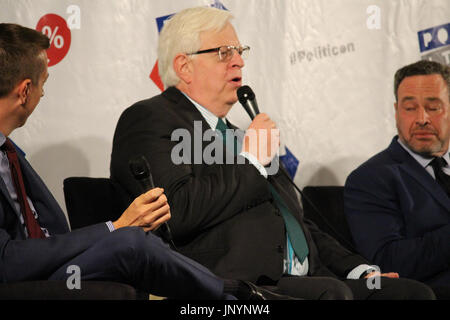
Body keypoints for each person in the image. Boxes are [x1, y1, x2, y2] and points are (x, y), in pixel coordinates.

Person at [110, 7, 435, 300]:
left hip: (306, 277)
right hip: (231, 284)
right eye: (224, 52)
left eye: (239, 51)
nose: (239, 61)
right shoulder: (151, 118)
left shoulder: (241, 138)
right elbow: (177, 213)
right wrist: (251, 162)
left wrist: (358, 269)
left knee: (410, 293)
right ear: (184, 66)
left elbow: (296, 221)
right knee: (331, 294)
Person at [0, 22, 293, 300]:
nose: (44, 92)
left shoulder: (10, 153)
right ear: (24, 91)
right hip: (26, 273)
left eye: (239, 53)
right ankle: (234, 296)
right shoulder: (152, 118)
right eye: (43, 83)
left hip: (62, 264)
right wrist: (116, 227)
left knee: (132, 240)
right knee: (131, 242)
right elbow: (7, 258)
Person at [345, 60, 450, 299]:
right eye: (410, 108)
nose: (422, 118)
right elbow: (388, 261)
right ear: (396, 111)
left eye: (433, 107)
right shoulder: (370, 178)